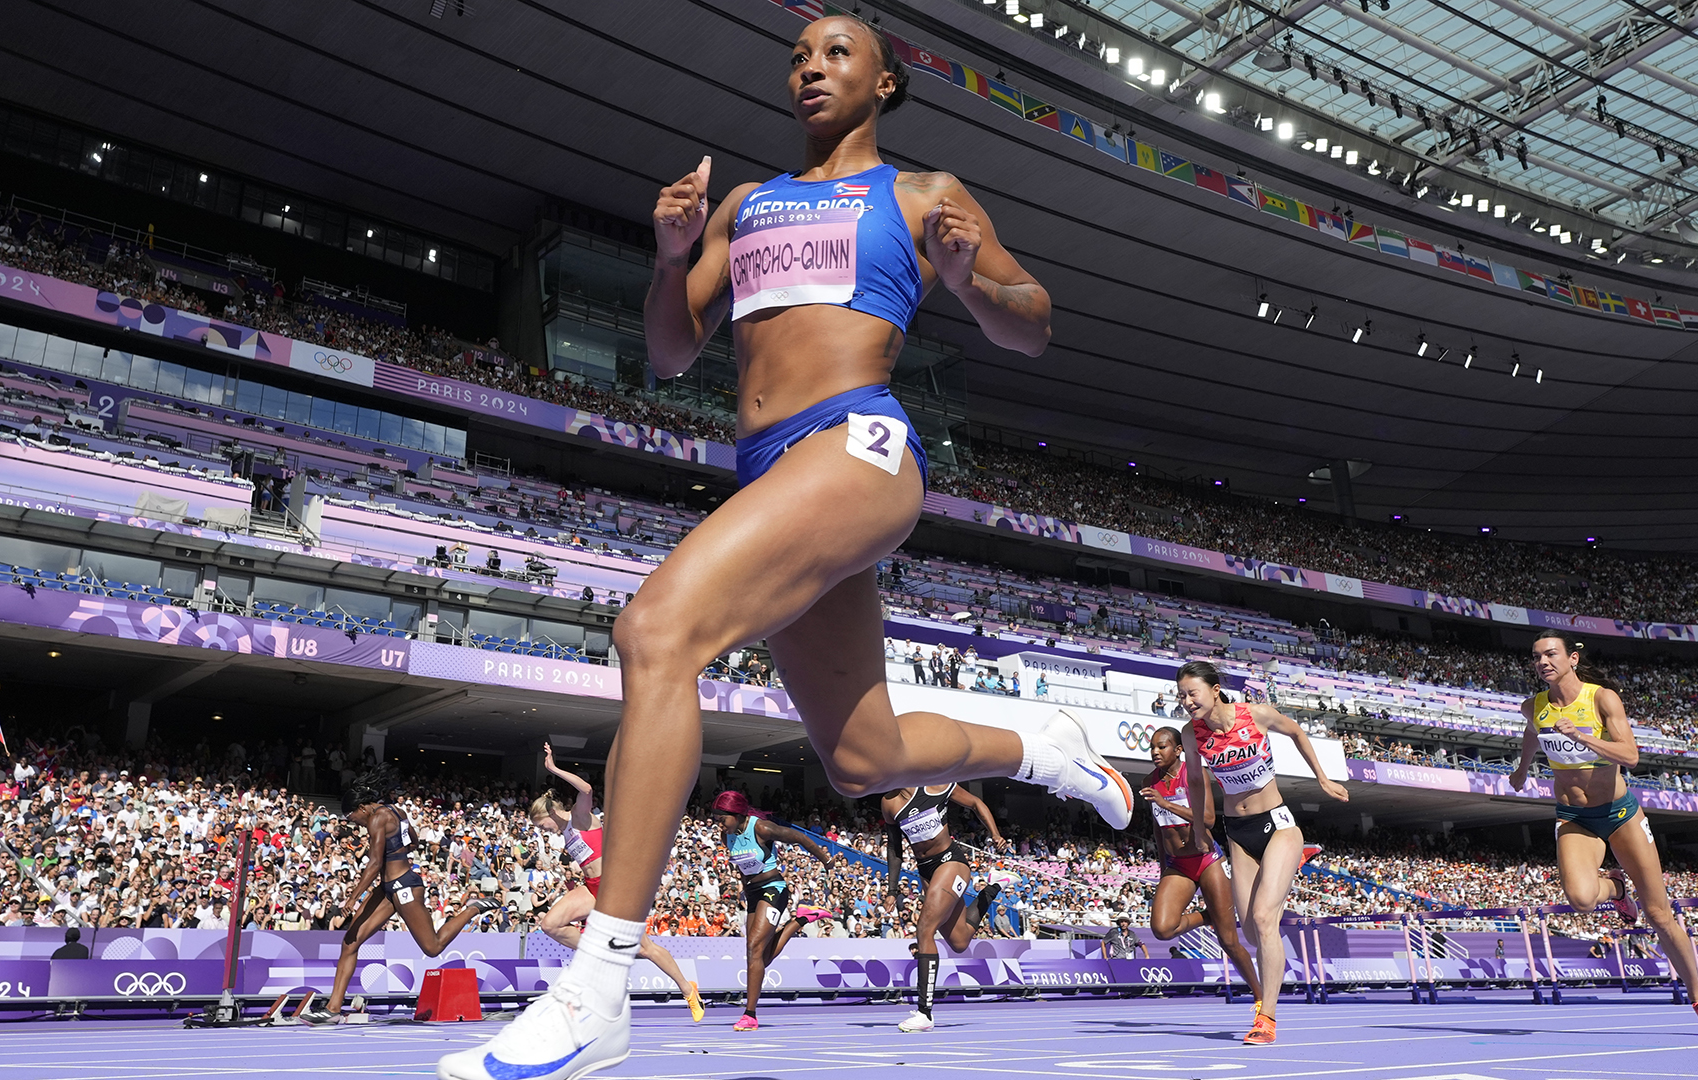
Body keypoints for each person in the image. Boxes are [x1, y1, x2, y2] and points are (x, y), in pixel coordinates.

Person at [438, 16, 1132, 1080]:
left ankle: (600, 988)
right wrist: (670, 262)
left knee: (657, 631)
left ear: (887, 82)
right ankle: (1041, 745)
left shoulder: (918, 195)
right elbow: (672, 354)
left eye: (837, 51)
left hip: (856, 444)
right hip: (771, 469)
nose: (811, 64)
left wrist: (969, 278)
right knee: (865, 761)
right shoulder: (746, 205)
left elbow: (1031, 322)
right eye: (799, 53)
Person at [1510, 635, 1698, 1037]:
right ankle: (1616, 889)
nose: (1542, 661)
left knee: (1660, 916)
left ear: (1572, 659)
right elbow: (1531, 731)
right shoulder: (1534, 706)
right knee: (1580, 899)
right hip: (1575, 816)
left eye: (1551, 654)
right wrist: (1523, 768)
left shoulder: (1601, 699)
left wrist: (1582, 737)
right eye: (1536, 657)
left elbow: (1630, 755)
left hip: (1619, 813)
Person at [1177, 661, 1347, 1045]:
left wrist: (1322, 777)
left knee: (1263, 918)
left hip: (1278, 825)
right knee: (1253, 933)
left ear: (1215, 689)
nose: (1186, 701)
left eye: (1192, 693)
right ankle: (1283, 876)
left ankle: (1266, 1017)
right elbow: (1193, 778)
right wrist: (1200, 828)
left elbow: (1297, 732)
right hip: (1237, 833)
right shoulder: (1193, 734)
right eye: (1182, 695)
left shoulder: (1255, 715)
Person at [302, 766, 498, 1024]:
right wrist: (394, 853)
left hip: (404, 886)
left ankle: (473, 908)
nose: (355, 824)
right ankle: (333, 1009)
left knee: (433, 947)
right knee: (350, 941)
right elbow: (414, 841)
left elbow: (373, 864)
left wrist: (352, 899)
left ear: (362, 808)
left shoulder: (375, 819)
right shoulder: (397, 810)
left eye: (353, 818)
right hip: (388, 889)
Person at [527, 742, 703, 1022]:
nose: (541, 831)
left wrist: (553, 768)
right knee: (549, 924)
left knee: (645, 948)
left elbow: (586, 790)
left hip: (616, 887)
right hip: (592, 887)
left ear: (549, 813)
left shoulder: (579, 817)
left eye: (540, 825)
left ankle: (688, 990)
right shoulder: (564, 833)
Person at [1138, 726, 1265, 1004]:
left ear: (1179, 749)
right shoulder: (1150, 780)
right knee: (1162, 929)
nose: (1156, 752)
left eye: (1162, 747)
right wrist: (1163, 870)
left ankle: (1261, 998)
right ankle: (1208, 916)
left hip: (1207, 859)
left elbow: (1207, 819)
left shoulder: (1194, 774)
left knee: (1228, 941)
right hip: (1177, 865)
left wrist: (1166, 803)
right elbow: (1159, 830)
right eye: (1152, 748)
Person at [880, 780, 1005, 1032]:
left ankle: (925, 1013)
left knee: (924, 928)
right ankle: (995, 886)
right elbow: (895, 848)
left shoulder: (936, 785)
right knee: (959, 942)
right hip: (926, 872)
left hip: (951, 862)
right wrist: (892, 889)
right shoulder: (888, 802)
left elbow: (975, 803)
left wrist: (995, 835)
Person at [707, 790, 836, 1030]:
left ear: (737, 814)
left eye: (722, 819)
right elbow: (743, 866)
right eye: (716, 820)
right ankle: (800, 920)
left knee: (755, 948)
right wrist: (744, 887)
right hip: (754, 894)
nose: (719, 824)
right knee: (757, 956)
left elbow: (799, 837)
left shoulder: (762, 829)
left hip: (773, 889)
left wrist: (825, 860)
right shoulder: (727, 837)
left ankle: (750, 1014)